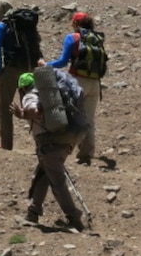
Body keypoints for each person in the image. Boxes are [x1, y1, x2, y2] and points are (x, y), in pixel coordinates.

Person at [10, 71, 85, 231]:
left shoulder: (29, 95)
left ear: (22, 88)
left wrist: (23, 114)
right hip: (65, 141)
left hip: (50, 144)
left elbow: (34, 111)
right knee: (42, 175)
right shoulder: (49, 95)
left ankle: (74, 218)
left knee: (57, 182)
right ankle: (33, 211)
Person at [42, 12, 108, 166]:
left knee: (69, 116)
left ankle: (61, 149)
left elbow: (62, 61)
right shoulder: (97, 39)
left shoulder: (73, 38)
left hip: (77, 82)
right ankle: (86, 154)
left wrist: (45, 65)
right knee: (89, 120)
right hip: (95, 83)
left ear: (76, 24)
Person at [0, 4, 36, 151]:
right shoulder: (24, 23)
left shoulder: (1, 26)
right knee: (31, 104)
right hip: (29, 68)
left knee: (6, 106)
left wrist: (0, 71)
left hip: (11, 69)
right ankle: (41, 141)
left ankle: (6, 144)